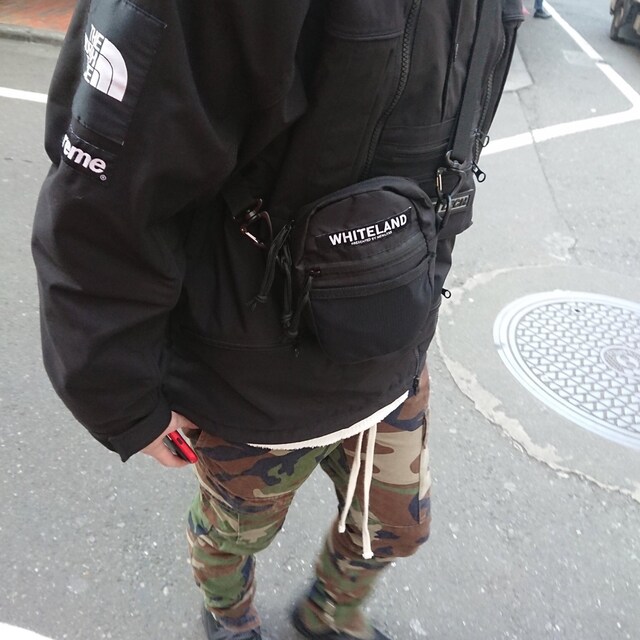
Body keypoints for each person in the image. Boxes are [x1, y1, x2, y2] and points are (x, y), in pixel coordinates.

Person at [32, 1, 521, 639]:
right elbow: (109, 196)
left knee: (395, 528)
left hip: (391, 356)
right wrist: (121, 397)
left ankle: (329, 615)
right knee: (233, 534)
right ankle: (229, 618)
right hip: (253, 388)